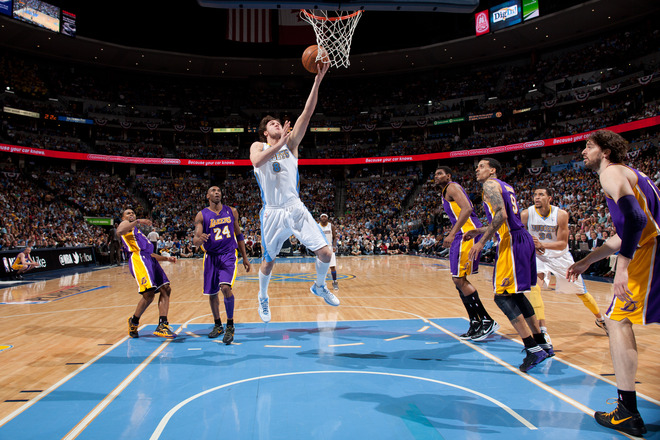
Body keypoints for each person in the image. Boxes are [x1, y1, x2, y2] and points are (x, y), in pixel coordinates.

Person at [567, 130, 658, 437]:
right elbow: (622, 234)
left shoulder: (611, 173)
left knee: (617, 321)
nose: (583, 152)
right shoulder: (634, 175)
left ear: (605, 151)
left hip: (650, 252)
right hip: (653, 247)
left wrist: (621, 268)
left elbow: (636, 221)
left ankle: (627, 413)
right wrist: (587, 261)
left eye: (588, 147)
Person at [250, 62, 339, 323]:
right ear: (266, 132)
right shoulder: (258, 145)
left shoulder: (291, 144)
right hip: (273, 213)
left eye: (280, 123)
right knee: (268, 262)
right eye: (273, 124)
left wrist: (317, 80)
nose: (279, 125)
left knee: (326, 253)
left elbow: (307, 113)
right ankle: (263, 297)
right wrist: (277, 145)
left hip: (295, 207)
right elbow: (257, 162)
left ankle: (319, 286)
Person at [464, 158, 553, 373]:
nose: (477, 170)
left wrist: (481, 242)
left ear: (493, 170)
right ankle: (542, 342)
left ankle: (532, 348)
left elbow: (502, 216)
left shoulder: (489, 185)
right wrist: (479, 231)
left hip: (511, 242)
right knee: (516, 294)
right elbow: (507, 218)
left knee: (502, 296)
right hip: (519, 238)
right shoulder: (507, 186)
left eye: (482, 166)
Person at [520, 187, 607, 337]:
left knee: (581, 292)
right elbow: (521, 236)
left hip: (559, 255)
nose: (537, 197)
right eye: (535, 194)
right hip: (538, 256)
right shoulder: (526, 214)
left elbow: (562, 243)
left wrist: (542, 245)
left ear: (550, 198)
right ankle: (542, 330)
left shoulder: (560, 215)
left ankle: (601, 319)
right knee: (534, 288)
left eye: (541, 194)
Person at [434, 166, 499, 341]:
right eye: (435, 174)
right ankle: (475, 322)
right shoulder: (445, 191)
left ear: (448, 175)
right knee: (458, 281)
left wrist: (452, 233)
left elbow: (468, 208)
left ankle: (486, 320)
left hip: (466, 234)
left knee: (458, 279)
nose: (436, 176)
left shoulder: (452, 187)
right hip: (462, 234)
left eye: (440, 173)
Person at [193, 186, 251, 344]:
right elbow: (195, 239)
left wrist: (245, 257)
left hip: (228, 255)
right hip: (211, 256)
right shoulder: (202, 215)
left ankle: (230, 325)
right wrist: (199, 240)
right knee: (212, 293)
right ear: (208, 196)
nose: (217, 192)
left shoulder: (231, 211)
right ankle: (218, 324)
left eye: (219, 190)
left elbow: (238, 234)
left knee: (225, 288)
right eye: (213, 190)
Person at [118, 209, 176, 339]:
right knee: (149, 295)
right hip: (139, 260)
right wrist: (138, 221)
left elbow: (150, 254)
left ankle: (163, 324)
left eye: (133, 212)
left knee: (166, 289)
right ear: (123, 218)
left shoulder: (139, 232)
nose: (131, 214)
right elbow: (119, 231)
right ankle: (134, 321)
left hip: (150, 260)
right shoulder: (124, 226)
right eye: (128, 213)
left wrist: (167, 258)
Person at [318, 213, 340, 290]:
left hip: (330, 247)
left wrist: (334, 246)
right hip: (321, 248)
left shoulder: (331, 226)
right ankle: (321, 283)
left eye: (325, 217)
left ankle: (335, 282)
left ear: (327, 218)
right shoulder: (317, 226)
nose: (324, 218)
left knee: (332, 266)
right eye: (322, 217)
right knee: (321, 268)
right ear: (320, 218)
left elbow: (334, 237)